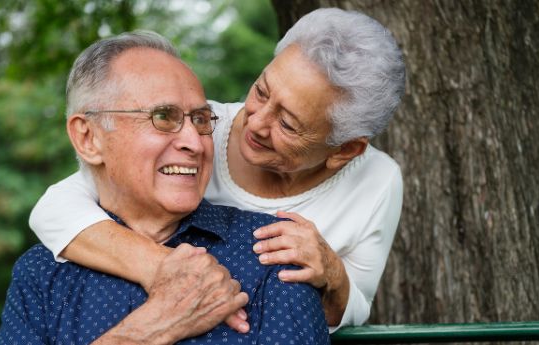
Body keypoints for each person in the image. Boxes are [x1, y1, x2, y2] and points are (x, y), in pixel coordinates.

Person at [29, 7, 406, 330]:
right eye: (261, 91)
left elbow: (354, 305)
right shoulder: (195, 129)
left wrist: (332, 272)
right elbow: (54, 209)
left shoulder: (378, 181)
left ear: (345, 150)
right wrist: (164, 268)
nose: (255, 122)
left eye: (288, 125)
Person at [0, 31, 329, 344]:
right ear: (89, 138)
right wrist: (148, 330)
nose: (194, 144)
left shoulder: (275, 253)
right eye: (163, 117)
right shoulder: (39, 276)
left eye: (200, 120)